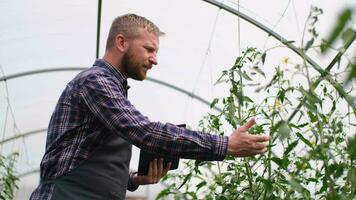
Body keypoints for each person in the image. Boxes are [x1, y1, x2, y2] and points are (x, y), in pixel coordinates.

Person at [30, 13, 270, 200]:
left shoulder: (112, 90)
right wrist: (224, 145)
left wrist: (133, 179)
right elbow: (145, 132)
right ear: (121, 42)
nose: (155, 59)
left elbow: (82, 159)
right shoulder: (95, 82)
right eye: (149, 49)